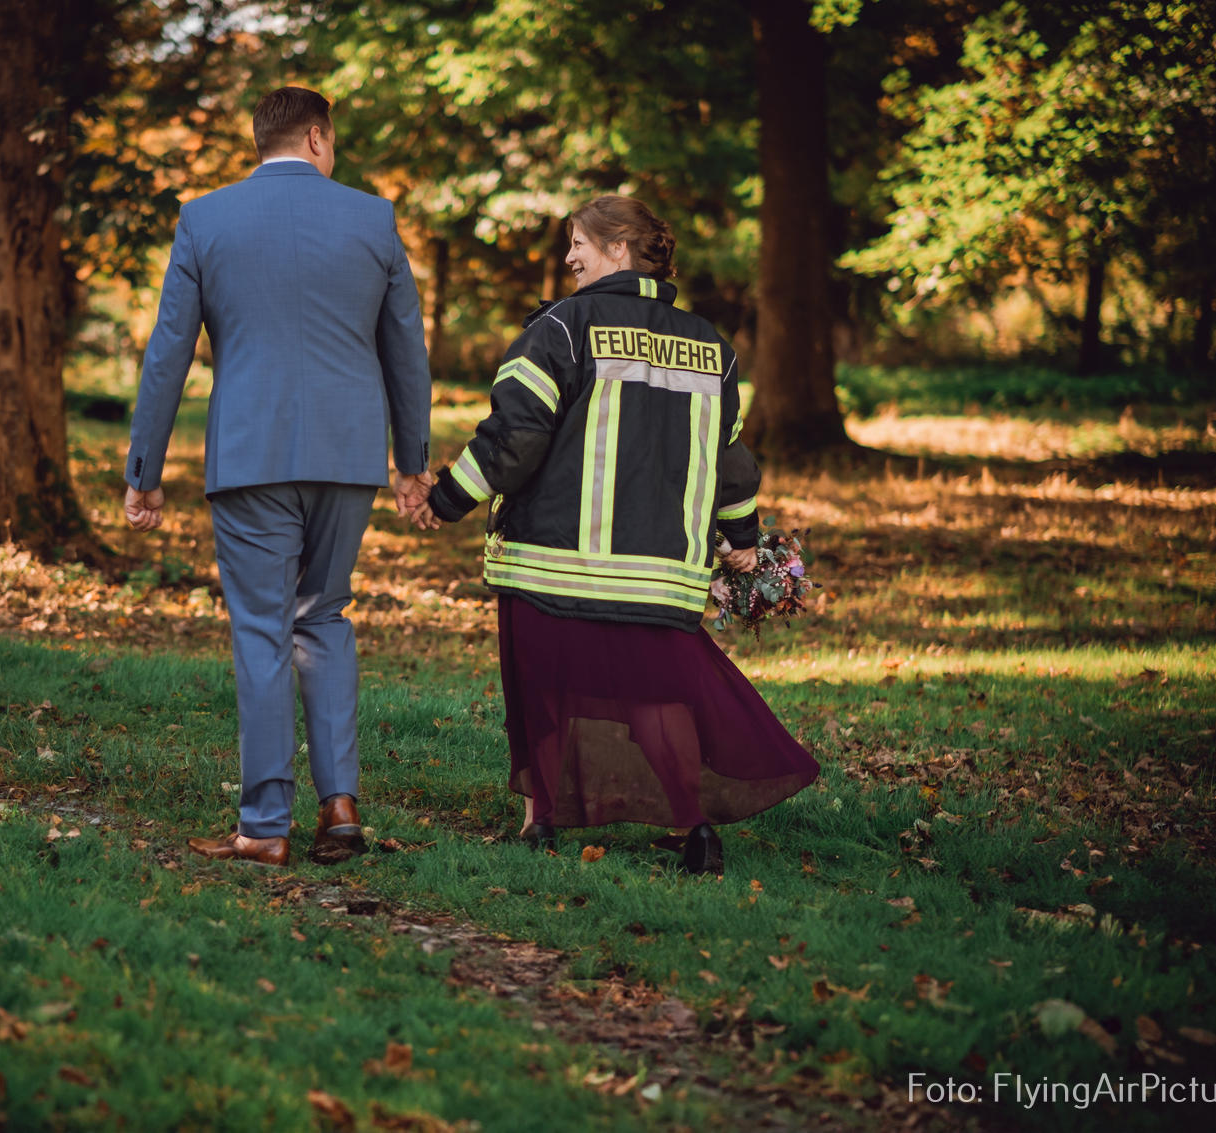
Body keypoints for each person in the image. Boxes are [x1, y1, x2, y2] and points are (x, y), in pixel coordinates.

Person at [411, 195, 818, 875]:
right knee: (659, 699)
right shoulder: (710, 346)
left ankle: (539, 820)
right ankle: (694, 827)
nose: (569, 255)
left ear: (619, 248)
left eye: (579, 242)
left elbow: (516, 437)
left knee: (542, 689)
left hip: (551, 563)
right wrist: (742, 536)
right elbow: (731, 459)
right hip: (659, 573)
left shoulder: (563, 329)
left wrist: (447, 498)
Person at [124, 86, 435, 868]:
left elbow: (168, 351)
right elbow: (406, 347)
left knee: (264, 628)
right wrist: (412, 462)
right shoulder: (374, 218)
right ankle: (340, 805)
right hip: (346, 453)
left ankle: (265, 825)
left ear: (261, 141)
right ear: (319, 137)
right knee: (323, 615)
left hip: (250, 453)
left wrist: (145, 471)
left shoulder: (205, 219)